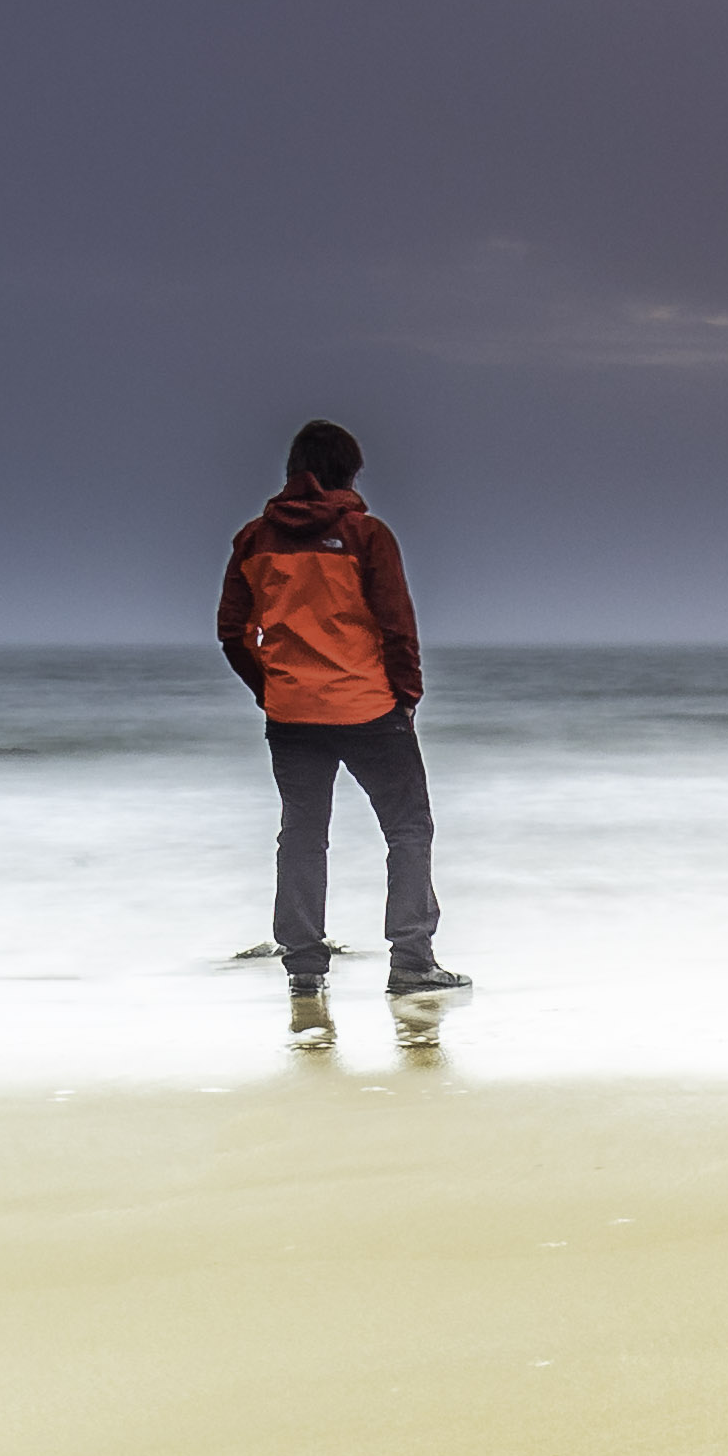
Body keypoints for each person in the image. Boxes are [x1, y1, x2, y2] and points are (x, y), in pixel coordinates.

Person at [215, 418, 469, 1016]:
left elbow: (232, 632)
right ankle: (411, 963)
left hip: (292, 714)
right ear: (349, 473)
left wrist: (270, 687)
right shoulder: (366, 535)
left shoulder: (254, 540)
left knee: (302, 835)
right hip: (369, 708)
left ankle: (304, 969)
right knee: (407, 830)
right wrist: (407, 696)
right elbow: (396, 625)